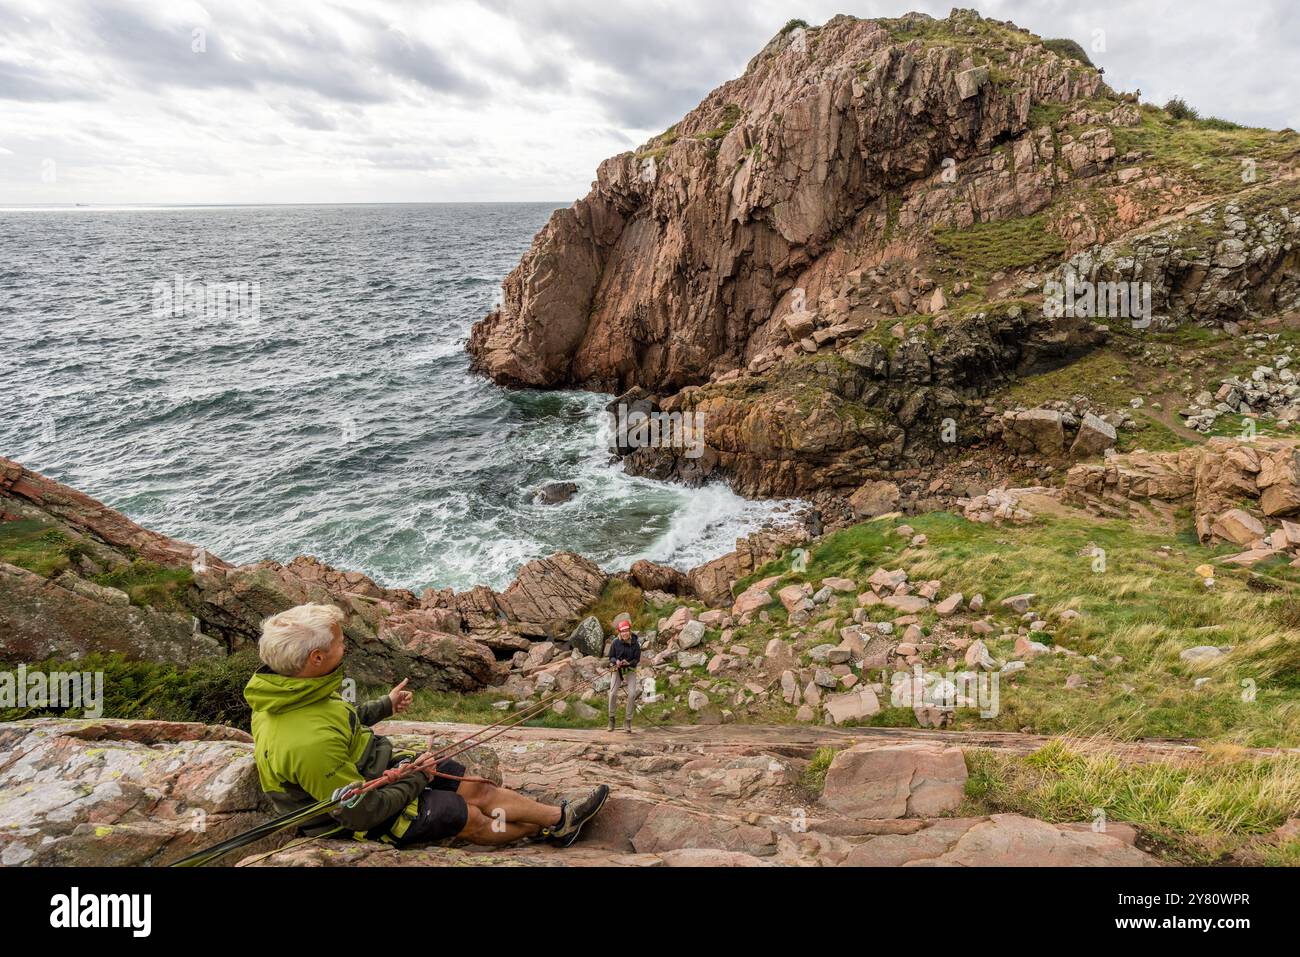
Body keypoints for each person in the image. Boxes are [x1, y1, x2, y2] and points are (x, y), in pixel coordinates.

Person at [244, 603, 608, 849]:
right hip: (363, 814)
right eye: (340, 642)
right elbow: (359, 812)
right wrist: (415, 777)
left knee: (474, 788)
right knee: (470, 817)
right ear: (316, 658)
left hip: (380, 770)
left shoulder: (291, 688)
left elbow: (340, 721)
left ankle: (560, 819)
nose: (346, 647)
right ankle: (541, 830)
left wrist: (385, 706)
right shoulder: (306, 743)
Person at [607, 616, 641, 733]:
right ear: (620, 632)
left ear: (629, 631)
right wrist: (615, 661)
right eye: (623, 631)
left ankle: (628, 720)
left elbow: (637, 659)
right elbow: (611, 656)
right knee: (612, 693)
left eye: (626, 631)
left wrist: (629, 663)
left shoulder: (635, 644)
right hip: (618, 669)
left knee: (631, 694)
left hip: (630, 669)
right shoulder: (615, 643)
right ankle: (611, 719)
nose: (625, 633)